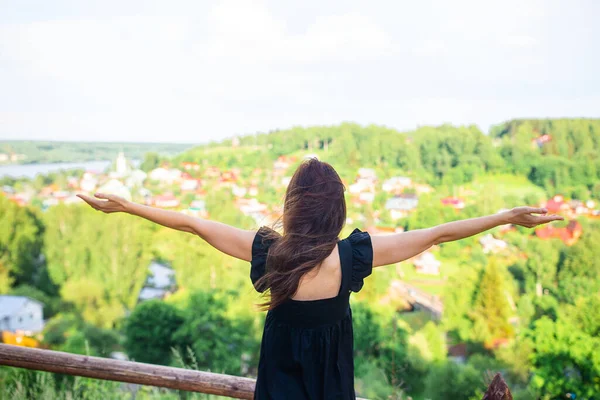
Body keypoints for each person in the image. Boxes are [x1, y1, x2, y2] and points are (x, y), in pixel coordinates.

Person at [78, 158, 563, 400]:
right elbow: (436, 235)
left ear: (293, 206)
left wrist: (127, 206)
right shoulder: (352, 256)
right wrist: (503, 217)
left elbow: (191, 223)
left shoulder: (269, 253)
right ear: (337, 209)